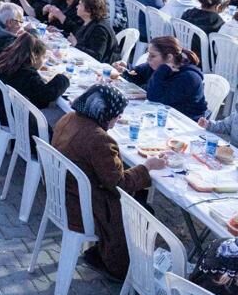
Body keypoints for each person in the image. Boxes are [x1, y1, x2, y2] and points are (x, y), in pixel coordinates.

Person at [52, 85, 167, 279]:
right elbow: (119, 184)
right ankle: (120, 267)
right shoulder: (99, 140)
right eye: (117, 115)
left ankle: (103, 253)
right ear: (104, 113)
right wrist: (147, 167)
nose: (119, 118)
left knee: (139, 195)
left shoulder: (68, 119)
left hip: (64, 193)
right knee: (144, 210)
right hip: (83, 206)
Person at [117, 35, 207, 119]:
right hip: (166, 117)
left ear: (169, 58)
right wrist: (125, 68)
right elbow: (136, 73)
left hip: (187, 124)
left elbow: (154, 98)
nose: (148, 59)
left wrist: (162, 70)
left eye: (152, 56)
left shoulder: (189, 77)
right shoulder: (156, 65)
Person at [0, 31, 70, 116]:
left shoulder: (10, 62)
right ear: (35, 57)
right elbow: (47, 95)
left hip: (2, 108)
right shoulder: (27, 75)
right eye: (43, 57)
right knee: (61, 113)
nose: (43, 61)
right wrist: (63, 78)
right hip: (15, 117)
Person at [69, 0, 117, 64]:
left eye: (80, 5)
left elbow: (97, 56)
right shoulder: (85, 20)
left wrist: (76, 45)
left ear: (88, 10)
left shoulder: (100, 30)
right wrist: (58, 32)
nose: (77, 7)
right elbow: (76, 36)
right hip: (82, 60)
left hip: (101, 67)